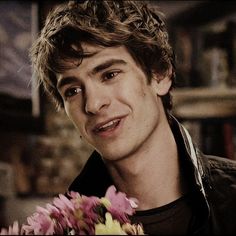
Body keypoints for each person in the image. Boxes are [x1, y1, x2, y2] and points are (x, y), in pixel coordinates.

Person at [30, 0, 236, 234]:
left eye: (110, 74)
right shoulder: (62, 227)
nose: (93, 104)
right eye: (73, 91)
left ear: (160, 74)